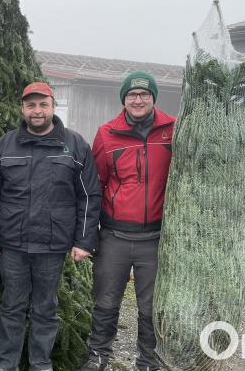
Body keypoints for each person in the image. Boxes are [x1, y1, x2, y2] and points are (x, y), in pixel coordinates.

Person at [0, 82, 102, 371]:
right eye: (31, 105)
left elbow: (88, 196)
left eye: (43, 104)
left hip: (52, 245)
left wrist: (84, 241)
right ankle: (6, 365)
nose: (37, 111)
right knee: (12, 308)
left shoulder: (75, 145)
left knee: (46, 309)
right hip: (12, 245)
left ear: (52, 106)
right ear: (22, 109)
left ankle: (40, 365)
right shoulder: (4, 146)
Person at [80, 71, 176, 371]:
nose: (138, 99)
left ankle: (148, 361)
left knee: (150, 308)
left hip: (156, 238)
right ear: (124, 99)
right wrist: (89, 236)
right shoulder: (107, 133)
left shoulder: (173, 129)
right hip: (115, 237)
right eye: (132, 95)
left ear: (153, 98)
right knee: (106, 300)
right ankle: (98, 356)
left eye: (144, 94)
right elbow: (93, 188)